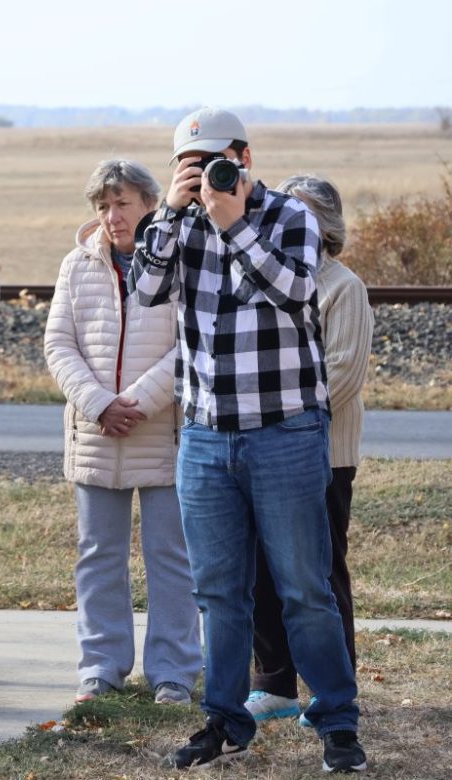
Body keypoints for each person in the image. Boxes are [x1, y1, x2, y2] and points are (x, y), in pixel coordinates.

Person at [130, 107, 367, 773]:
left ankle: (338, 724)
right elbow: (144, 290)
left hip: (286, 432)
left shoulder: (292, 217)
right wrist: (173, 215)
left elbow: (292, 291)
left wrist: (233, 226)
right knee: (219, 590)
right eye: (193, 162)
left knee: (304, 587)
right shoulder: (174, 225)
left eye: (219, 159)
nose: (210, 173)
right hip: (205, 436)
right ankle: (224, 721)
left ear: (245, 156)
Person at [43, 160, 202, 706]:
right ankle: (101, 667)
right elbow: (58, 345)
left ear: (151, 205)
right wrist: (99, 404)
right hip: (96, 433)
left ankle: (174, 672)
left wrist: (136, 402)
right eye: (103, 206)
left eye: (123, 203)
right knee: (97, 554)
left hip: (162, 432)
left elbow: (192, 345)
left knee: (171, 555)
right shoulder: (76, 265)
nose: (112, 216)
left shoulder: (181, 259)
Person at [245, 175, 373, 723]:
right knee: (262, 570)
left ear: (325, 226)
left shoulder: (344, 286)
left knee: (318, 573)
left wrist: (283, 416)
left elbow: (343, 371)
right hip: (262, 448)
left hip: (322, 452)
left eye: (301, 213)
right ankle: (273, 684)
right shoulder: (264, 277)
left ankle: (331, 688)